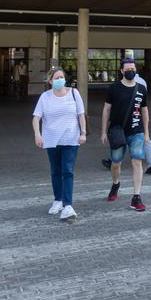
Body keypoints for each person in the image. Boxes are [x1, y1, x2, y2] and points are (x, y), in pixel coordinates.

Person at [32, 67, 86, 220]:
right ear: (50, 81)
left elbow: (81, 114)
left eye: (61, 77)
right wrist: (37, 134)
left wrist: (83, 133)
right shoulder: (45, 97)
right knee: (55, 171)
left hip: (71, 139)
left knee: (67, 171)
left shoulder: (74, 93)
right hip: (51, 140)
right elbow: (36, 117)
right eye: (56, 78)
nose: (59, 80)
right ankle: (58, 200)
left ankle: (68, 205)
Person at [101, 59, 150, 211]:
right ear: (121, 71)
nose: (131, 71)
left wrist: (146, 133)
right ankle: (116, 184)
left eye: (133, 69)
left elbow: (144, 111)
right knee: (116, 163)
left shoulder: (141, 89)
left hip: (137, 131)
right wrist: (103, 131)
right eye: (127, 69)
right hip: (117, 131)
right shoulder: (114, 88)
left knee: (137, 162)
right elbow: (106, 110)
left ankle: (136, 197)